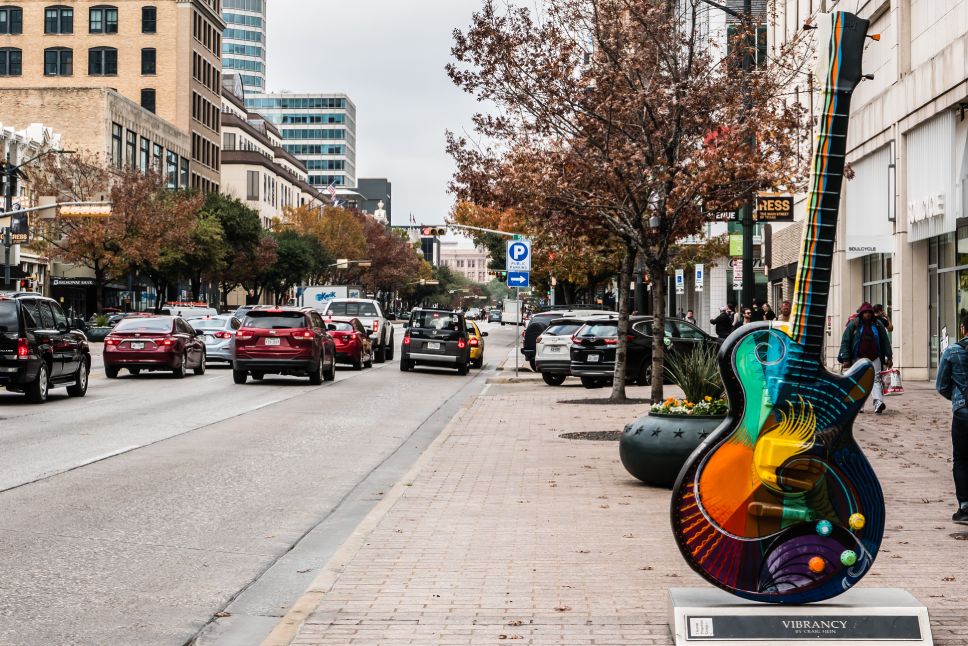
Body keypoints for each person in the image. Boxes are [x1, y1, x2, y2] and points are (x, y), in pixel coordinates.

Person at [936, 314, 968, 524]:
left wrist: (957, 400)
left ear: (963, 328)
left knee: (962, 459)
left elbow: (942, 385)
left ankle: (965, 507)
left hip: (963, 413)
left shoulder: (953, 350)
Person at [838, 302, 893, 414]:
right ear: (861, 313)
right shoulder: (854, 324)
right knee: (859, 380)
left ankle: (878, 403)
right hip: (858, 358)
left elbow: (885, 341)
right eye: (865, 312)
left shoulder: (877, 325)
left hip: (875, 357)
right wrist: (846, 359)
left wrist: (889, 356)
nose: (867, 314)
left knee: (876, 379)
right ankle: (859, 405)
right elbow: (845, 341)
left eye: (869, 312)